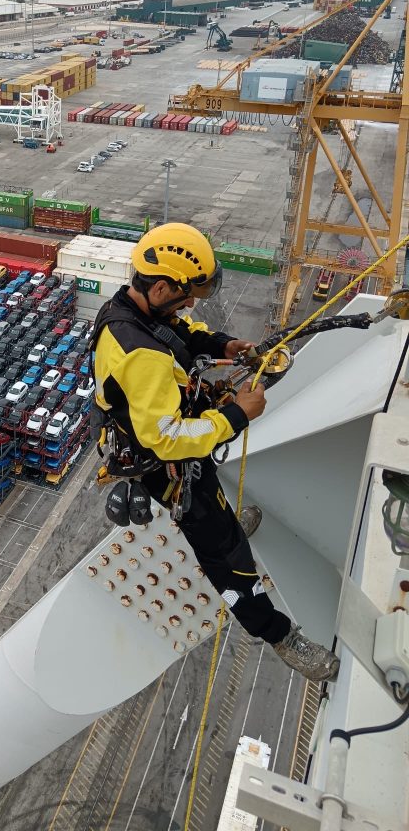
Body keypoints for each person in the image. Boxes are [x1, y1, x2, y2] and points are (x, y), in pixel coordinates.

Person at [91, 223, 339, 682]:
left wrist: (225, 346)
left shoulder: (132, 308)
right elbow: (163, 438)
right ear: (162, 286)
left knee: (219, 510)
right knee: (221, 548)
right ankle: (278, 634)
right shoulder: (139, 351)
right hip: (164, 463)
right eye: (186, 295)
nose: (191, 304)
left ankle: (227, 525)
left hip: (169, 435)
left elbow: (181, 332)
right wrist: (238, 416)